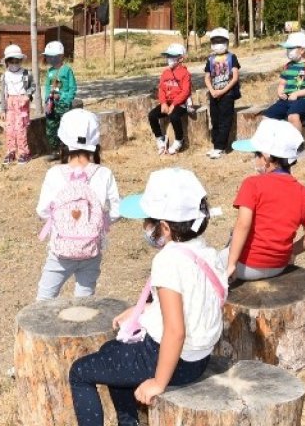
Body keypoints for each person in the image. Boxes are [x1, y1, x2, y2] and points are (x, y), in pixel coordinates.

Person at [69, 168, 227, 426]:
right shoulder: (206, 253)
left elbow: (175, 332)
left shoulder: (168, 261)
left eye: (148, 220)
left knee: (80, 372)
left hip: (171, 359)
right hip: (198, 357)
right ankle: (127, 422)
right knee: (111, 351)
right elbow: (191, 300)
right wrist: (143, 309)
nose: (144, 226)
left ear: (164, 227)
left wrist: (158, 382)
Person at [34, 109, 120, 301]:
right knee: (84, 300)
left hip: (60, 251)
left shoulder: (55, 173)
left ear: (63, 142)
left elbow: (42, 210)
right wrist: (100, 221)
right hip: (92, 248)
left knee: (44, 299)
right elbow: (116, 210)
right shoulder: (104, 173)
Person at [225, 119, 305, 280]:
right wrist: (291, 252)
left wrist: (231, 263)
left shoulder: (252, 184)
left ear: (267, 157)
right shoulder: (302, 191)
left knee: (209, 260)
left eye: (256, 154)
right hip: (279, 266)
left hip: (246, 266)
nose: (255, 159)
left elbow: (243, 224)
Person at [263, 31, 305, 132]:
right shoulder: (288, 66)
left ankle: (298, 144)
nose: (288, 51)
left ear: (302, 50)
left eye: (291, 48)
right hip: (286, 100)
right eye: (287, 48)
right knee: (267, 117)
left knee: (293, 117)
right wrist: (280, 92)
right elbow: (282, 83)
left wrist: (297, 94)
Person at [203, 28, 241, 159]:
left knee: (225, 120)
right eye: (215, 41)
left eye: (221, 41)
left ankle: (220, 147)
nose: (218, 44)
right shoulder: (210, 59)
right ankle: (215, 145)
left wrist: (223, 91)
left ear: (227, 42)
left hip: (227, 94)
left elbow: (235, 77)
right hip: (214, 94)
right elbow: (207, 77)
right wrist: (212, 91)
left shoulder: (232, 57)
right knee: (215, 120)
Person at [147, 43, 192, 156]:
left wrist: (173, 105)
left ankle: (179, 140)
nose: (169, 59)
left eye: (172, 56)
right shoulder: (165, 73)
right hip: (167, 103)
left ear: (180, 58)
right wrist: (163, 103)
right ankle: (160, 139)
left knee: (174, 116)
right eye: (168, 56)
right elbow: (161, 89)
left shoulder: (185, 73)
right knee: (152, 115)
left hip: (181, 103)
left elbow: (185, 92)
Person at [0, 44, 34, 165]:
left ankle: (24, 152)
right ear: (7, 62)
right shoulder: (5, 76)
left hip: (22, 104)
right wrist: (3, 109)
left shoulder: (26, 73)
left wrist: (27, 96)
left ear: (20, 60)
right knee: (9, 129)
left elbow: (32, 87)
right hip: (10, 104)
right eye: (11, 61)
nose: (14, 64)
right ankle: (11, 151)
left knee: (21, 129)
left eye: (17, 61)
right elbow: (3, 93)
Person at [42, 41, 77, 157]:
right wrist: (47, 100)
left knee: (65, 127)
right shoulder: (50, 71)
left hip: (63, 105)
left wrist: (62, 97)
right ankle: (55, 150)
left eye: (53, 56)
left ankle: (67, 151)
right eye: (48, 56)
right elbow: (47, 87)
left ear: (61, 56)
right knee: (51, 127)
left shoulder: (67, 70)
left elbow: (72, 88)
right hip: (52, 105)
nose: (50, 59)